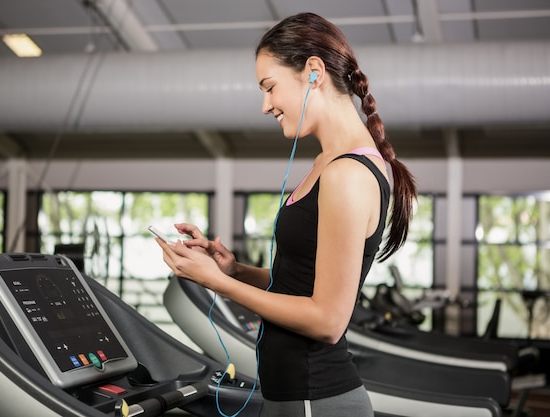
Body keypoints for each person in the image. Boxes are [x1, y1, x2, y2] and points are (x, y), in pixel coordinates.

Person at [155, 12, 417, 417]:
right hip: (291, 396)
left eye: (270, 87)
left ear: (314, 72)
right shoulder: (327, 163)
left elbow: (328, 320)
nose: (265, 106)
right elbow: (301, 281)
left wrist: (217, 285)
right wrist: (232, 270)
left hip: (317, 398)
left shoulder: (348, 174)